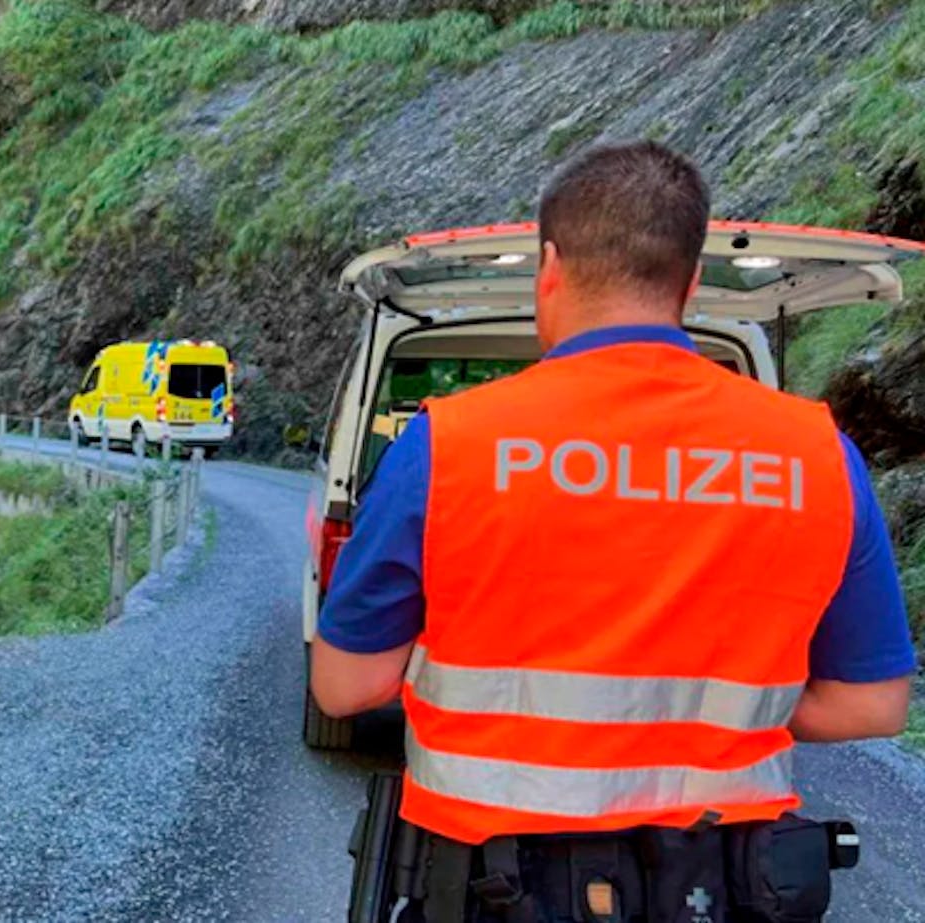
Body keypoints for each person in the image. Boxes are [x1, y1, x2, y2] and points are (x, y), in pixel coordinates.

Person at [310, 141, 916, 922]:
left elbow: (344, 684)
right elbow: (873, 707)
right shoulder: (816, 455)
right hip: (722, 888)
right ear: (691, 281)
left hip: (500, 887)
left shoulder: (451, 443)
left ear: (550, 265)